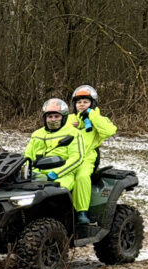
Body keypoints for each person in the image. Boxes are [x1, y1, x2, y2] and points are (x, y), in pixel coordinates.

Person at [23, 98, 87, 220]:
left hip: (63, 174)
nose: (53, 120)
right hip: (37, 174)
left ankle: (66, 222)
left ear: (63, 118)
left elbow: (77, 158)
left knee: (55, 194)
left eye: (56, 116)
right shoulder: (37, 134)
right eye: (50, 116)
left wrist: (56, 173)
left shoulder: (73, 133)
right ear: (45, 118)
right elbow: (27, 156)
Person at [66, 84, 117, 224]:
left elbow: (109, 131)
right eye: (79, 102)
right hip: (68, 157)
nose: (82, 105)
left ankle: (82, 212)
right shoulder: (70, 119)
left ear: (92, 103)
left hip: (87, 158)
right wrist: (70, 126)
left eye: (85, 102)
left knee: (81, 177)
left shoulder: (99, 119)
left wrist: (92, 116)